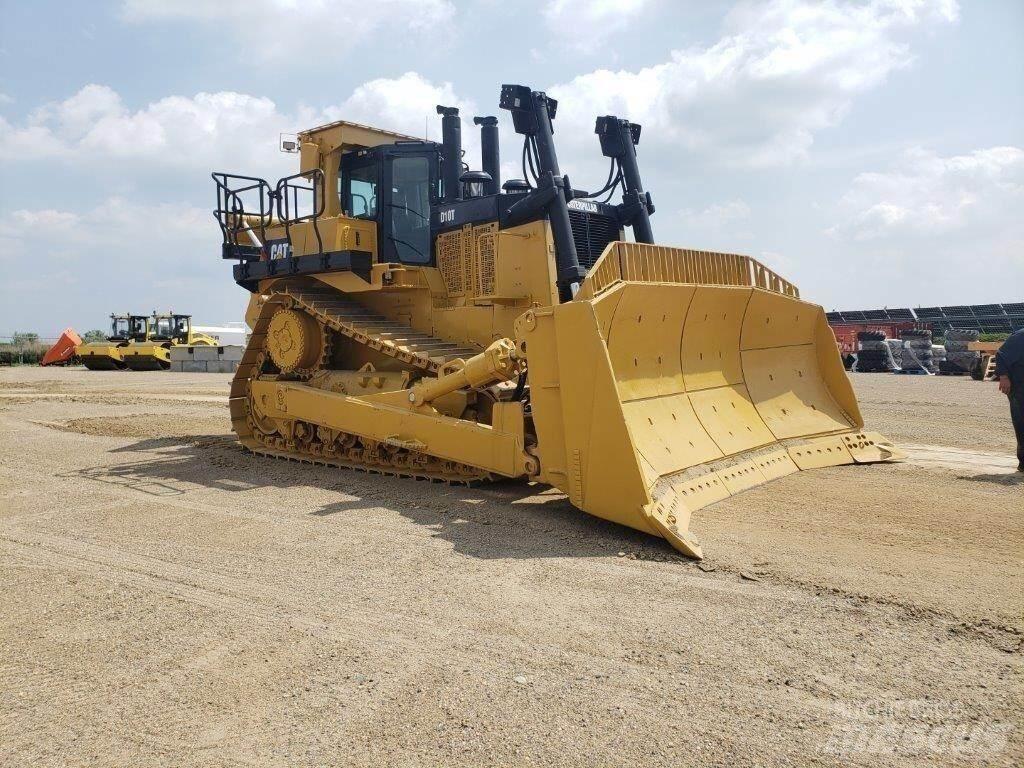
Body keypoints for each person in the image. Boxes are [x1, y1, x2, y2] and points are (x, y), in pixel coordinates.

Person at [995, 328, 1024, 472]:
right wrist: (1004, 377)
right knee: (1021, 424)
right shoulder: (1020, 336)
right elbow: (1001, 355)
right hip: (1019, 387)